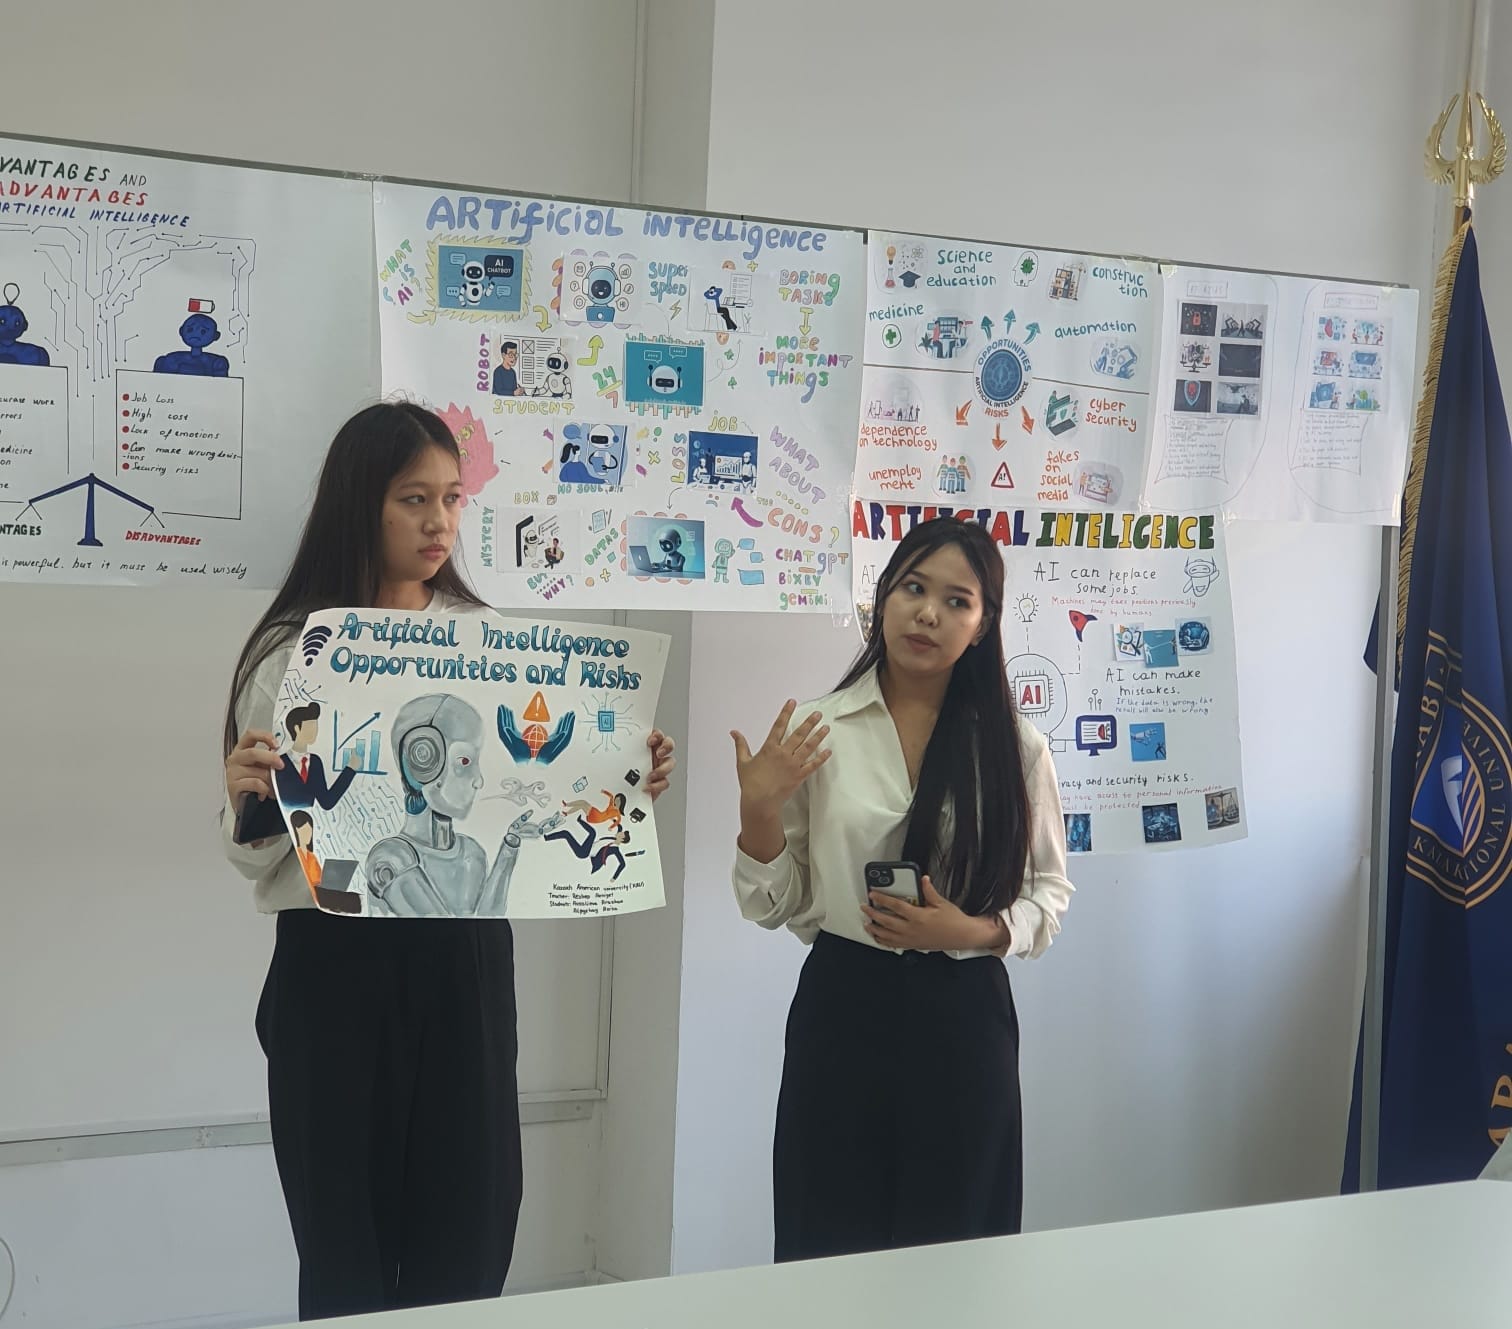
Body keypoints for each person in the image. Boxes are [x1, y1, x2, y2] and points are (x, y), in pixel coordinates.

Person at [221, 401, 677, 1320]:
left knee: (469, 1227)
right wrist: (246, 801)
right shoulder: (295, 649)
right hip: (333, 964)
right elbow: (263, 847)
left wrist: (623, 777)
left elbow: (538, 797)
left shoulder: (491, 641)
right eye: (413, 499)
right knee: (343, 1244)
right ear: (361, 504)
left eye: (453, 498)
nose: (440, 522)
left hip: (462, 962)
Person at [730, 515, 1073, 1263]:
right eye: (913, 588)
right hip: (843, 1003)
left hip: (964, 1012)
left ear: (983, 626)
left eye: (957, 601)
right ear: (881, 598)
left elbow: (1047, 893)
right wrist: (758, 813)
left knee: (958, 1249)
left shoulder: (1016, 747)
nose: (928, 613)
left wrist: (971, 932)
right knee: (826, 1239)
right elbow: (773, 901)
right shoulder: (816, 729)